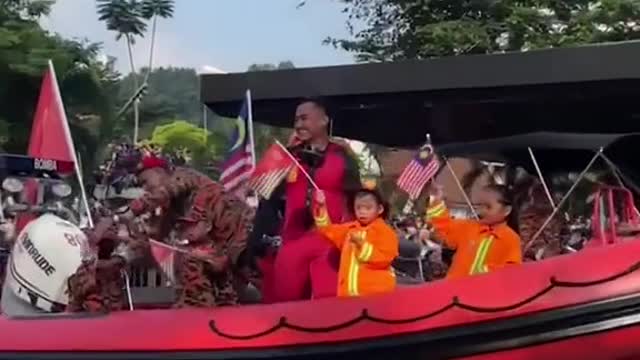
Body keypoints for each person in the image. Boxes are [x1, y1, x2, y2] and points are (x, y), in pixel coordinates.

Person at [269, 98, 361, 302]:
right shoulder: (288, 156)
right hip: (293, 241)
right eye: (296, 120)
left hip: (330, 242)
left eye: (304, 118)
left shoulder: (343, 157)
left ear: (323, 121)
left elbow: (356, 199)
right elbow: (268, 195)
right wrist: (283, 156)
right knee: (286, 301)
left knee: (329, 303)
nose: (298, 125)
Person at [425, 183, 522, 279]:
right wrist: (436, 201)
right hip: (453, 289)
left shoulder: (511, 239)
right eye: (480, 206)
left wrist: (486, 272)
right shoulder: (469, 227)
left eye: (488, 207)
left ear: (506, 210)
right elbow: (444, 228)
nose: (481, 211)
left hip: (484, 292)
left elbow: (511, 271)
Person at [313, 188, 398, 297]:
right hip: (347, 295)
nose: (362, 211)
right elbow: (327, 230)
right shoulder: (349, 229)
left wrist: (361, 245)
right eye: (358, 208)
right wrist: (321, 207)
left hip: (375, 296)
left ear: (380, 209)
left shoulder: (386, 232)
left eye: (368, 208)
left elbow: (383, 259)